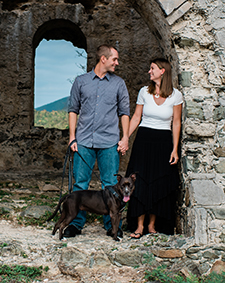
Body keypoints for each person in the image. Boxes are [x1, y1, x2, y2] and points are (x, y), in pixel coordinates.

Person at [65, 44, 131, 238]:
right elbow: (72, 110)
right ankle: (75, 224)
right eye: (114, 59)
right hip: (83, 140)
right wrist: (72, 137)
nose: (117, 63)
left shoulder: (119, 84)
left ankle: (112, 226)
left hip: (109, 142)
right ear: (103, 59)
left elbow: (124, 112)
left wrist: (125, 137)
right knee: (80, 185)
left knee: (111, 185)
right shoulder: (81, 81)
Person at [125, 58, 183, 238]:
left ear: (162, 71)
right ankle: (139, 225)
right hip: (144, 140)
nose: (149, 72)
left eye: (152, 69)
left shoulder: (176, 95)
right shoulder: (144, 92)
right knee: (140, 181)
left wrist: (174, 149)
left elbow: (176, 123)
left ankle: (152, 225)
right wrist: (125, 137)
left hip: (163, 141)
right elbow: (136, 117)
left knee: (159, 182)